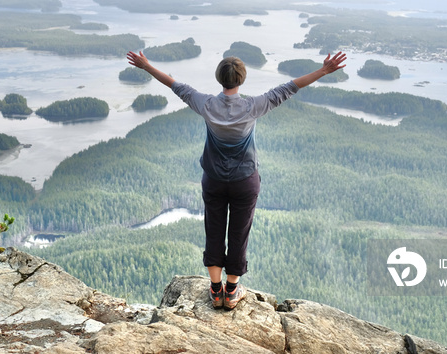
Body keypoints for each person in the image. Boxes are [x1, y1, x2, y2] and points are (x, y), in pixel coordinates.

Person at [126, 50, 347, 310]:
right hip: (245, 181)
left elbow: (176, 86)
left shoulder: (207, 104)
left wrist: (146, 65)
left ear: (220, 79)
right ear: (241, 80)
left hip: (214, 180)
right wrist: (323, 71)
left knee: (214, 229)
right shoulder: (253, 106)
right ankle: (232, 292)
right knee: (239, 233)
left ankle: (215, 289)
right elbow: (289, 88)